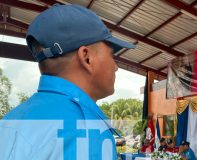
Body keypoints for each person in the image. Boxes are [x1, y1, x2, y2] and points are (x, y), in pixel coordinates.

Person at [0, 4, 135, 160]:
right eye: (112, 56)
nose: (116, 67)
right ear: (86, 57)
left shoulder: (9, 121)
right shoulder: (86, 130)